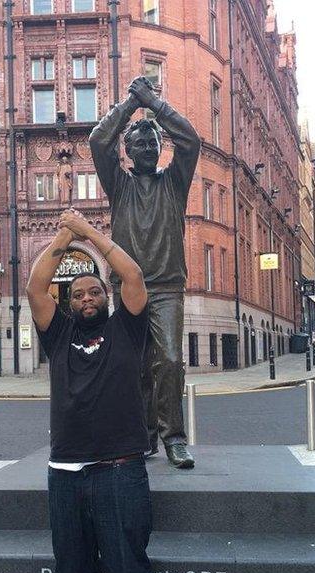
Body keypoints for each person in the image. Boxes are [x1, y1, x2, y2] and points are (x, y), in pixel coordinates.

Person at [26, 208, 157, 573]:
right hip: (65, 473)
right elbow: (37, 286)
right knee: (73, 568)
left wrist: (89, 235)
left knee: (126, 572)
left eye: (94, 292)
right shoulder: (57, 335)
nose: (86, 298)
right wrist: (64, 236)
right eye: (78, 294)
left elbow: (134, 275)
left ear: (106, 298)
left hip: (121, 469)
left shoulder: (127, 327)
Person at [90, 76, 201, 469]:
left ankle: (174, 437)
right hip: (130, 288)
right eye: (138, 144)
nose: (147, 148)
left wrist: (152, 103)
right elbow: (97, 141)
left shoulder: (175, 182)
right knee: (135, 366)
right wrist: (129, 104)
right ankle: (144, 436)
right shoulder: (118, 184)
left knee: (169, 359)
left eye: (153, 143)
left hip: (168, 285)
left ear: (159, 148)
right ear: (128, 152)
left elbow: (190, 140)